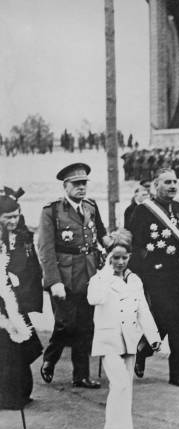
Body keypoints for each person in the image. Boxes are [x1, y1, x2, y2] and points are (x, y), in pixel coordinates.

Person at [87, 233, 161, 429]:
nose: (120, 262)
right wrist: (107, 272)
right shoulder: (100, 279)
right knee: (119, 385)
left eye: (124, 258)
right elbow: (94, 299)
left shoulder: (135, 280)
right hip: (108, 340)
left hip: (130, 339)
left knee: (125, 388)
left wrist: (153, 336)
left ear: (130, 257)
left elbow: (143, 310)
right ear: (108, 257)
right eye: (115, 258)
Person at [38, 163, 111, 389]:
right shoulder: (51, 211)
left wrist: (114, 247)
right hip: (64, 276)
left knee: (86, 326)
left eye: (84, 184)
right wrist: (54, 281)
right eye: (76, 184)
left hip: (89, 274)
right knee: (66, 324)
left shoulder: (90, 206)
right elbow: (46, 250)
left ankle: (81, 376)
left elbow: (102, 234)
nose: (81, 188)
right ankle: (50, 358)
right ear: (65, 186)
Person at [129, 169, 179, 387]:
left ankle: (176, 373)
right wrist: (138, 275)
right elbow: (134, 246)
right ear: (156, 185)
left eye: (175, 181)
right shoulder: (143, 211)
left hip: (178, 274)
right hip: (155, 274)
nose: (173, 185)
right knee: (165, 320)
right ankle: (144, 348)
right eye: (167, 182)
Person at [0, 196, 43, 411]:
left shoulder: (22, 235)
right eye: (8, 217)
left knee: (21, 347)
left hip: (15, 300)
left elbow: (32, 267)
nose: (13, 220)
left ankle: (22, 392)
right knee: (6, 351)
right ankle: (8, 397)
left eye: (16, 216)